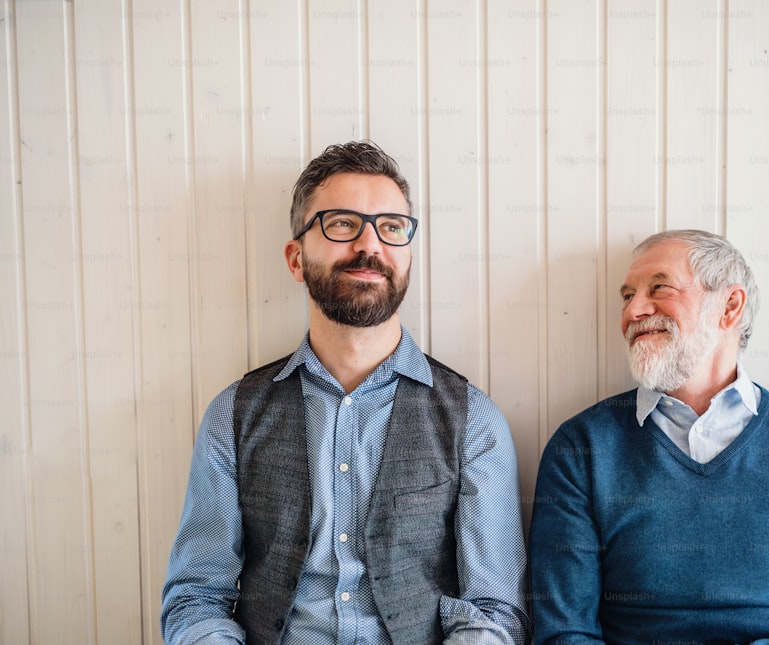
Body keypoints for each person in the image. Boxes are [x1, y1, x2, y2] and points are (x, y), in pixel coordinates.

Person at [162, 140, 530, 645]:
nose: (369, 245)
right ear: (295, 258)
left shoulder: (474, 420)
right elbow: (195, 598)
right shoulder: (234, 415)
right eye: (341, 224)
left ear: (407, 257)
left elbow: (494, 609)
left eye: (390, 227)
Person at [529, 229, 769, 644]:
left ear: (729, 307)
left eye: (659, 288)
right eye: (627, 296)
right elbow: (564, 634)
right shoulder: (581, 448)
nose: (634, 311)